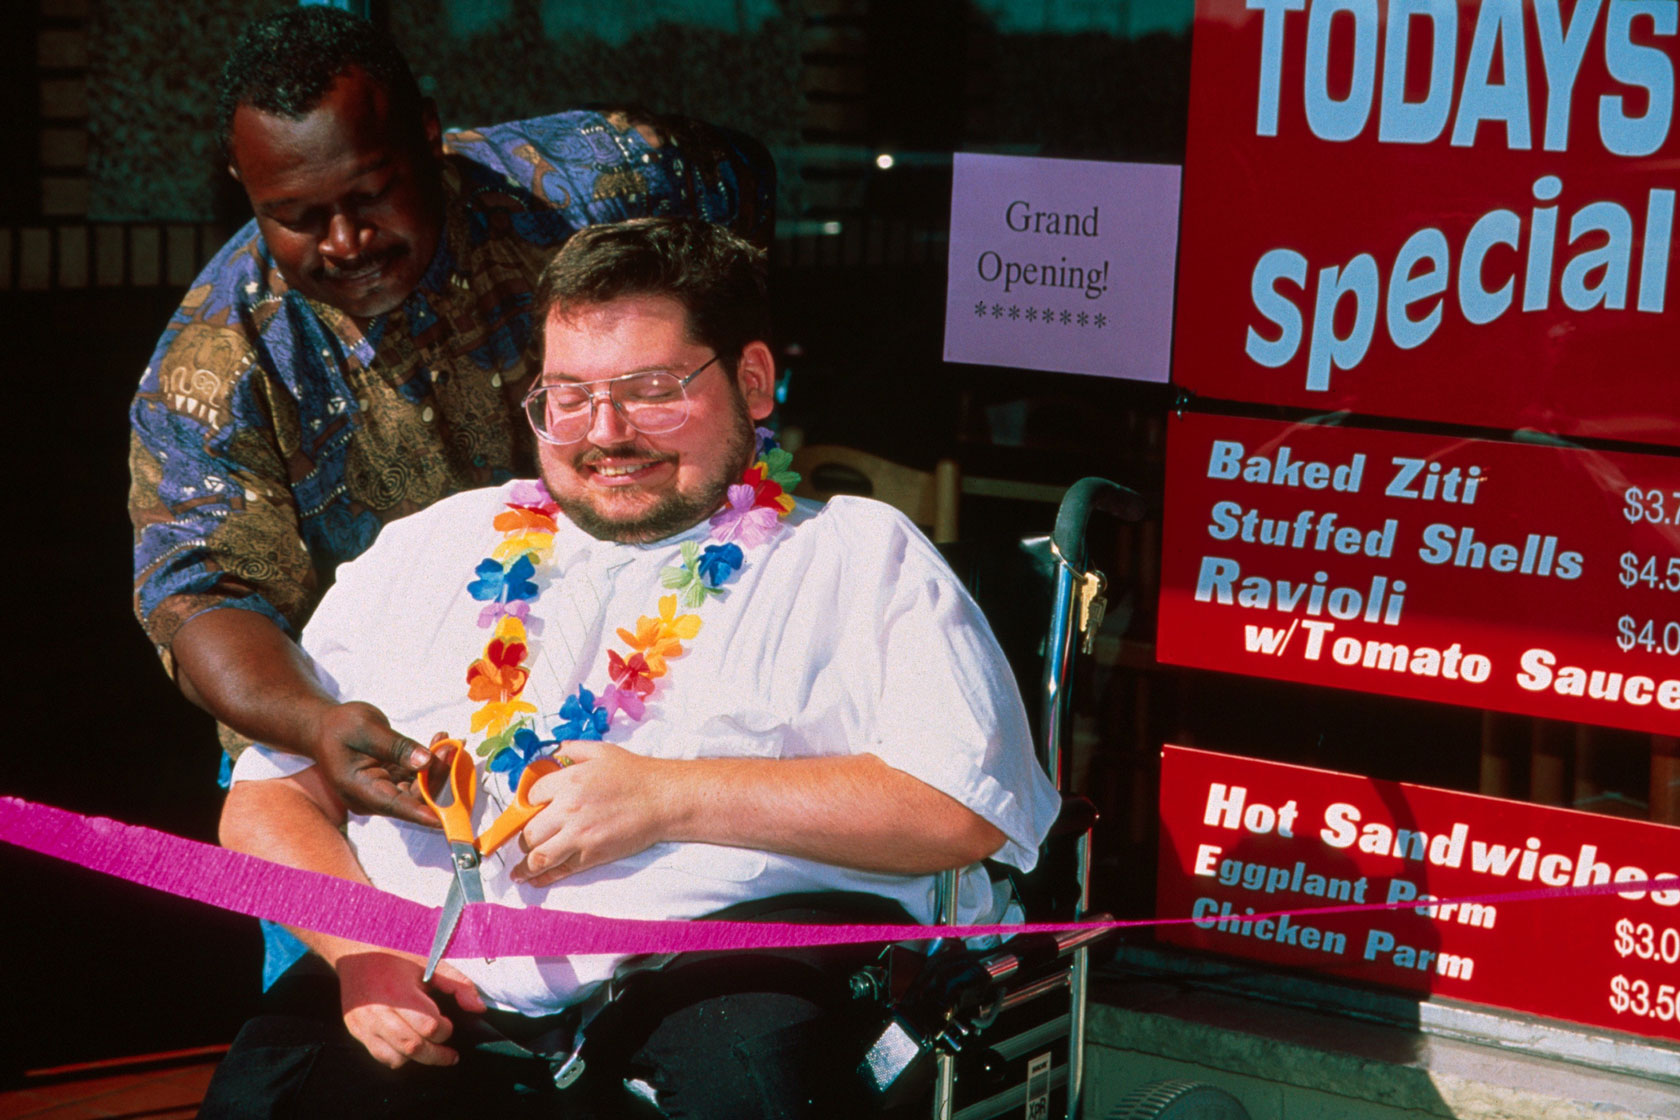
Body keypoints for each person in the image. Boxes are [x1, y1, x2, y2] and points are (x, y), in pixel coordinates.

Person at [202, 216, 1061, 1118]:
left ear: (754, 381)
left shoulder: (855, 554)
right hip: (429, 980)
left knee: (753, 1080)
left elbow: (959, 808)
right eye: (567, 396)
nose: (604, 433)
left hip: (722, 983)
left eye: (652, 390)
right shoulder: (427, 549)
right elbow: (265, 801)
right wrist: (362, 952)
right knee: (268, 1094)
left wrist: (669, 798)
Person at [127, 6, 773, 826]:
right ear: (241, 183)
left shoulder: (595, 181)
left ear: (429, 135)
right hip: (374, 739)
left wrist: (739, 379)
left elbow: (741, 180)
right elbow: (200, 595)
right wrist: (314, 723)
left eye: (372, 193)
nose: (346, 239)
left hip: (647, 652)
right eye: (297, 215)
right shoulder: (215, 368)